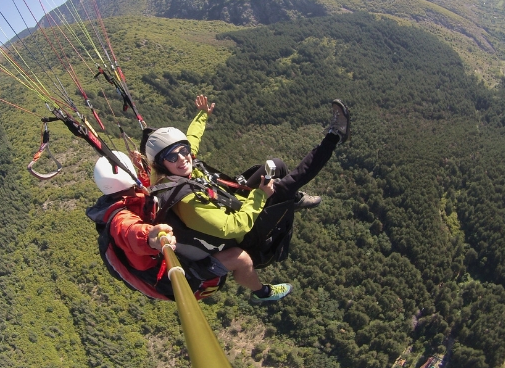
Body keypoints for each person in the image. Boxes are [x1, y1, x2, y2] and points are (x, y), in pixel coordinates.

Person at [143, 96, 350, 272]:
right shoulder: (186, 202)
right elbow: (232, 227)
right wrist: (260, 196)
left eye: (183, 150)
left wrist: (202, 115)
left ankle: (291, 199)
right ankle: (334, 136)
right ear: (161, 164)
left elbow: (192, 139)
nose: (182, 158)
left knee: (276, 165)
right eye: (172, 156)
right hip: (245, 234)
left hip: (231, 202)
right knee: (286, 185)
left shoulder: (173, 169)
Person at [87, 151, 292, 303]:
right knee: (239, 258)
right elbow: (128, 231)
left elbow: (147, 187)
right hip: (175, 278)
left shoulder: (126, 195)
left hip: (168, 258)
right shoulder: (118, 217)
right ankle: (262, 293)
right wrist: (150, 236)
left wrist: (144, 166)